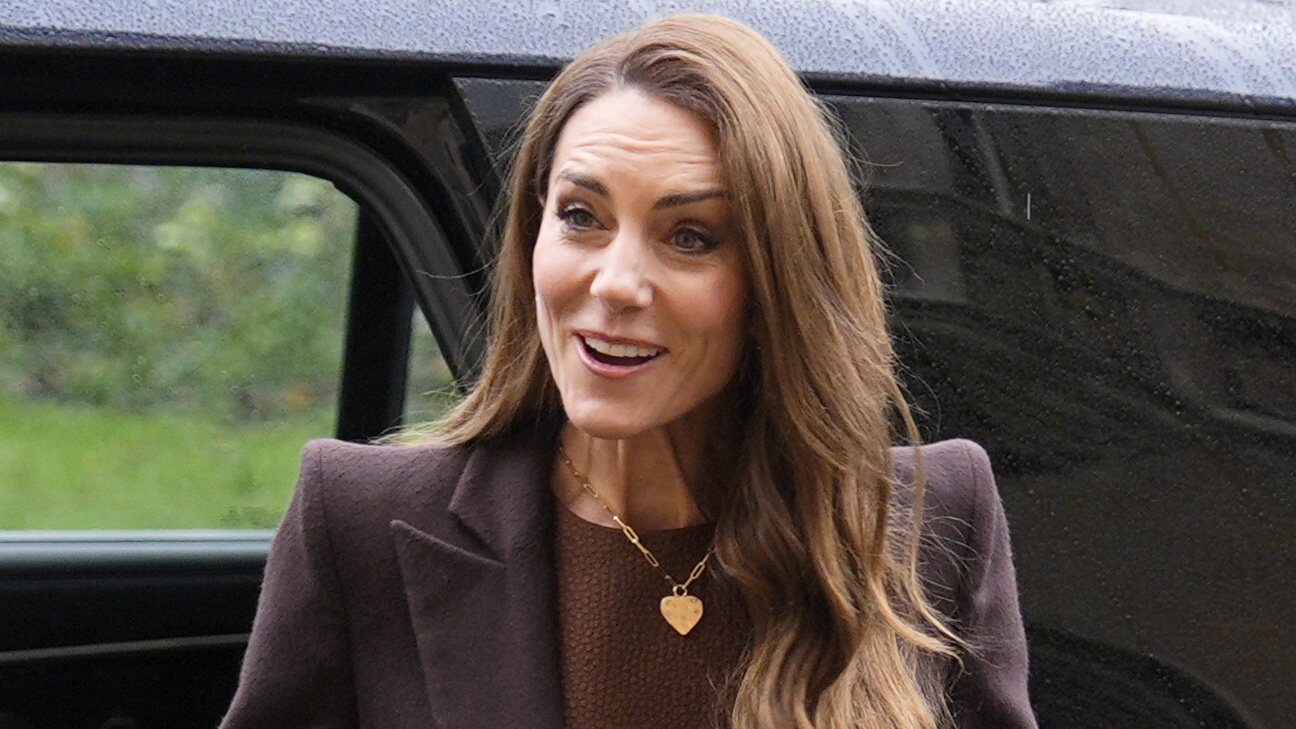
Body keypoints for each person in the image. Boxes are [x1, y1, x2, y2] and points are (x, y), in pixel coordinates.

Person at [220, 13, 1038, 729]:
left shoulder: (928, 524)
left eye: (690, 236)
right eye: (581, 216)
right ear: (531, 236)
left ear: (777, 283)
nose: (615, 283)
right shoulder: (361, 519)